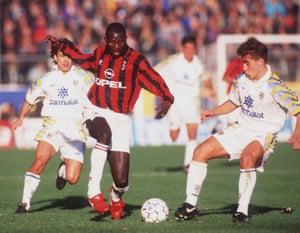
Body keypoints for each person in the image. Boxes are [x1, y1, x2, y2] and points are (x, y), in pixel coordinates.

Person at [45, 22, 174, 219]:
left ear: (126, 39)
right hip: (94, 110)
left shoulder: (136, 61)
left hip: (120, 119)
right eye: (111, 42)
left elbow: (153, 78)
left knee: (121, 180)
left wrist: (167, 98)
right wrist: (62, 45)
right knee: (103, 133)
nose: (115, 46)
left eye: (120, 41)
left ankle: (115, 197)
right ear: (106, 40)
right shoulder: (100, 54)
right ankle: (94, 192)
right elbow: (80, 57)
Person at [174, 37, 300, 222]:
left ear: (260, 62)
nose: (243, 67)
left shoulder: (275, 86)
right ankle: (190, 205)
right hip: (240, 129)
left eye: (246, 63)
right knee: (200, 151)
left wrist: (297, 135)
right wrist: (213, 112)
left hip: (263, 135)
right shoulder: (241, 79)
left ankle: (241, 210)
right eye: (242, 63)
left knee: (247, 158)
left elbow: (298, 110)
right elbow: (234, 102)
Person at [13, 40, 95, 213]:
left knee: (72, 178)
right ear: (55, 58)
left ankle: (62, 171)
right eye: (61, 56)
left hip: (75, 132)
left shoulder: (85, 77)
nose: (65, 60)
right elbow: (29, 100)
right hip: (53, 128)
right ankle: (24, 203)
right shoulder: (46, 79)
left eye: (69, 56)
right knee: (40, 160)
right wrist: (20, 118)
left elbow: (100, 94)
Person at [155, 35, 215, 173]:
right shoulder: (174, 60)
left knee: (192, 132)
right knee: (174, 136)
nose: (189, 51)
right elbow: (156, 70)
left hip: (192, 102)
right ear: (183, 49)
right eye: (187, 48)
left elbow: (206, 78)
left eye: (192, 48)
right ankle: (173, 124)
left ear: (195, 49)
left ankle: (189, 164)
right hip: (175, 102)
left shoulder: (199, 64)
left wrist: (210, 89)